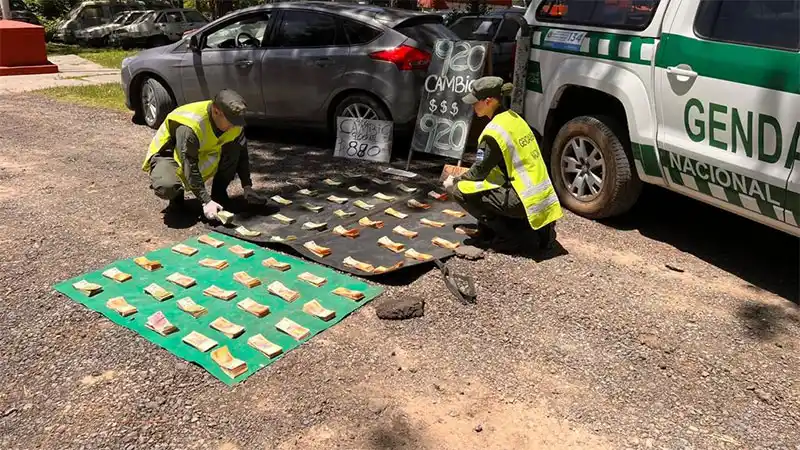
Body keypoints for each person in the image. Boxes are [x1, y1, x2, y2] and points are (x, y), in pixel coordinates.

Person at [443, 76, 562, 250]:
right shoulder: (515, 118)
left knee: (460, 191)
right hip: (542, 196)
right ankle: (528, 228)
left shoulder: (493, 132)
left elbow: (478, 173)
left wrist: (455, 180)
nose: (473, 106)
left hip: (522, 199)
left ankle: (509, 236)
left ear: (489, 101)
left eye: (476, 102)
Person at [142, 89, 266, 221]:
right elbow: (188, 164)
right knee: (167, 186)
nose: (233, 125)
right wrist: (205, 200)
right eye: (230, 121)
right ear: (216, 111)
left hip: (202, 151)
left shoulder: (234, 122)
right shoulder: (191, 126)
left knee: (234, 147)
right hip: (170, 155)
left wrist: (247, 186)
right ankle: (176, 198)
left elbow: (242, 152)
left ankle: (219, 196)